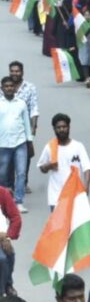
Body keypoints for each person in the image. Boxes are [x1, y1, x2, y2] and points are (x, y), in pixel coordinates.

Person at [35, 113, 90, 213]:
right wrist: (49, 166)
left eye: (64, 127)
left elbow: (87, 168)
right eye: (58, 127)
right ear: (54, 129)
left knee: (74, 228)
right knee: (58, 228)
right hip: (55, 197)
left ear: (69, 127)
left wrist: (86, 186)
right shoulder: (50, 147)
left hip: (75, 195)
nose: (61, 129)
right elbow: (41, 168)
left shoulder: (78, 146)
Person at [0, 76, 32, 213]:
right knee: (2, 173)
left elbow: (26, 123)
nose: (9, 88)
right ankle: (3, 201)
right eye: (6, 86)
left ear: (15, 88)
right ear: (2, 88)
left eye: (11, 86)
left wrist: (29, 141)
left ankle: (18, 201)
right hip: (3, 143)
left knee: (21, 173)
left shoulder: (21, 103)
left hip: (20, 143)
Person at [0, 186, 21, 297]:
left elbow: (15, 217)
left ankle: (8, 285)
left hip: (2, 238)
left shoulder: (2, 193)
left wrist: (8, 237)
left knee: (9, 253)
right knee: (1, 259)